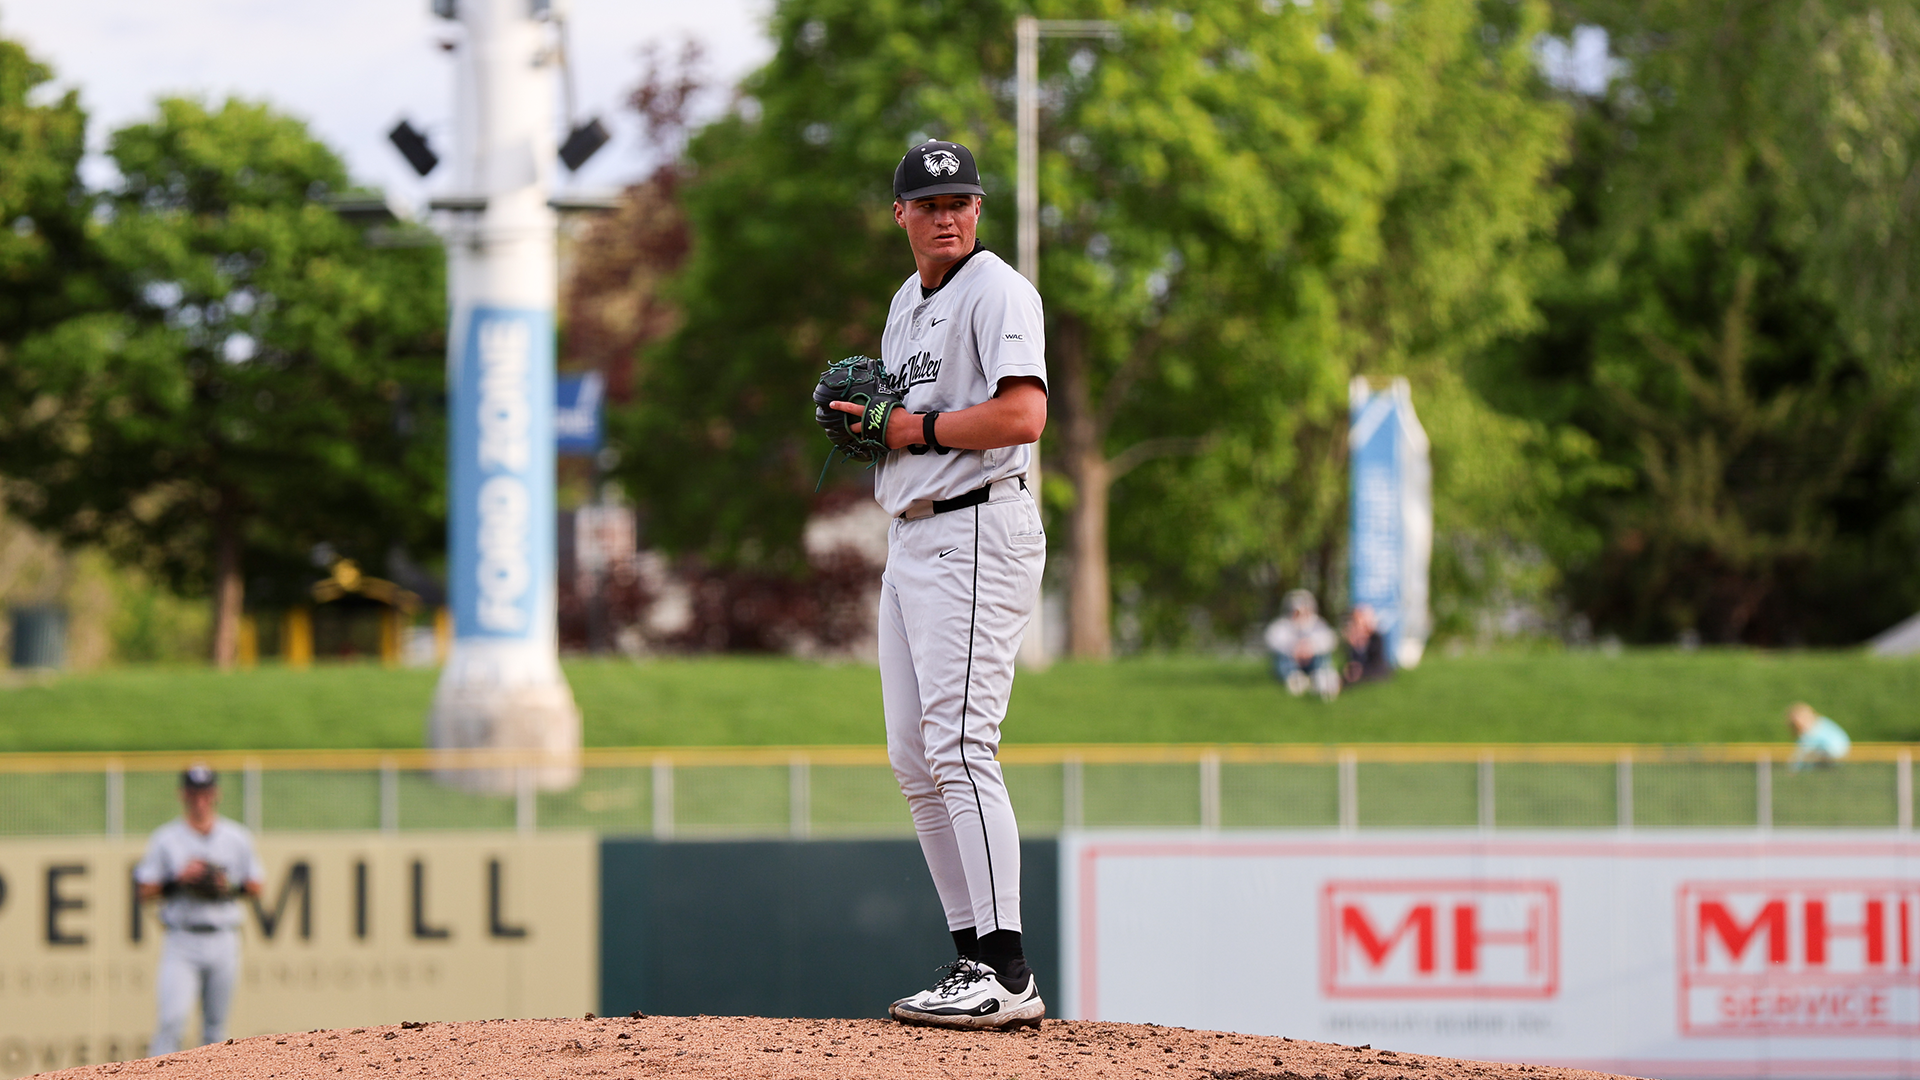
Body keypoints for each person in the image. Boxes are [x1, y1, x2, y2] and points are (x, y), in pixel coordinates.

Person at [826, 138, 1048, 1030]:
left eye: (962, 198)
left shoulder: (999, 289)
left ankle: (1009, 971)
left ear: (979, 209)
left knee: (959, 745)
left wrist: (913, 429)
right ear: (902, 217)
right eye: (930, 202)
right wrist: (872, 424)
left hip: (978, 522)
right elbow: (902, 422)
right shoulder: (905, 303)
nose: (948, 213)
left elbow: (1023, 413)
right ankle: (972, 959)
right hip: (913, 538)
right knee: (914, 761)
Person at [134, 765, 264, 1055]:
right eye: (193, 793)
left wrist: (226, 885)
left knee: (216, 1030)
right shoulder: (166, 838)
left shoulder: (236, 837)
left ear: (215, 794)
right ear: (183, 795)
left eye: (205, 792)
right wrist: (178, 879)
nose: (199, 799)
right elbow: (144, 889)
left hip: (223, 937)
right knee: (171, 1021)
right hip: (183, 939)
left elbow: (256, 887)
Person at [1263, 589, 1339, 700]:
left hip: (1312, 661)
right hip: (1292, 660)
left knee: (1323, 658)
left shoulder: (1317, 623)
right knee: (1282, 659)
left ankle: (1320, 678)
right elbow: (1272, 639)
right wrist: (1293, 648)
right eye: (1297, 611)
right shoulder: (1283, 625)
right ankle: (1294, 679)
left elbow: (1330, 640)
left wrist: (1311, 647)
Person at [1786, 702, 1851, 770]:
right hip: (1837, 758)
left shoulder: (1814, 728)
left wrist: (1794, 767)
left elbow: (1804, 751)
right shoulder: (1821, 722)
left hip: (1832, 757)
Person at [1341, 604, 1393, 688]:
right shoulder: (1353, 640)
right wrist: (1356, 646)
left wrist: (1360, 670)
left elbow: (1377, 664)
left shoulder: (1376, 638)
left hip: (1374, 674)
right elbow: (1352, 662)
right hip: (1359, 676)